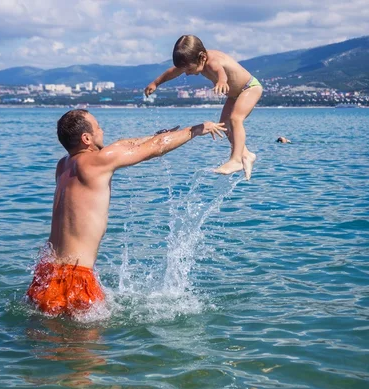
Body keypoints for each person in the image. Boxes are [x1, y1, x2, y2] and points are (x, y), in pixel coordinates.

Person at [26, 109, 226, 316]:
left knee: (45, 343)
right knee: (84, 346)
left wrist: (155, 135)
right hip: (78, 277)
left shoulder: (63, 166)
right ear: (87, 138)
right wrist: (196, 130)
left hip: (46, 273)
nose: (102, 131)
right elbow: (156, 148)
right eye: (98, 128)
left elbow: (122, 145)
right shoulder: (97, 161)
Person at [145, 35, 261, 180]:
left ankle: (236, 160)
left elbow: (221, 71)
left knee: (235, 119)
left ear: (202, 57)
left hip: (249, 88)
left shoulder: (212, 61)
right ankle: (246, 155)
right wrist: (156, 83)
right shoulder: (196, 59)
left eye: (188, 69)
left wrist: (221, 81)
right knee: (224, 125)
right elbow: (173, 72)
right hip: (234, 95)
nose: (187, 73)